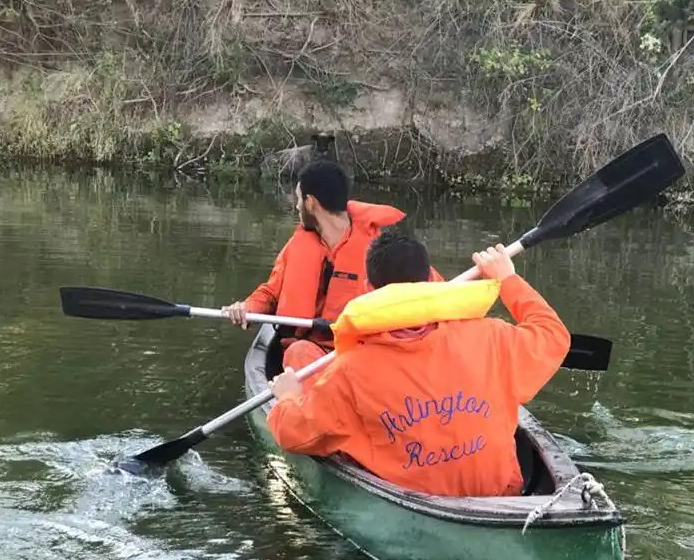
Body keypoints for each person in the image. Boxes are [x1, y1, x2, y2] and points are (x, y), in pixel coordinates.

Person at [265, 230, 572, 498]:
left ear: (369, 289)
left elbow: (293, 434)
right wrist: (507, 280)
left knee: (302, 359)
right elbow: (554, 335)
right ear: (430, 280)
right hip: (500, 494)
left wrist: (288, 398)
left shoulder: (349, 371)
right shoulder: (493, 336)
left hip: (419, 496)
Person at [222, 160, 442, 374]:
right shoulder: (299, 245)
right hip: (314, 354)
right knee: (298, 352)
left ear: (310, 202)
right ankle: (314, 396)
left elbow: (433, 291)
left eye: (298, 199)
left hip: (364, 354)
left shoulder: (382, 249)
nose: (296, 206)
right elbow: (271, 293)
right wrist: (247, 308)